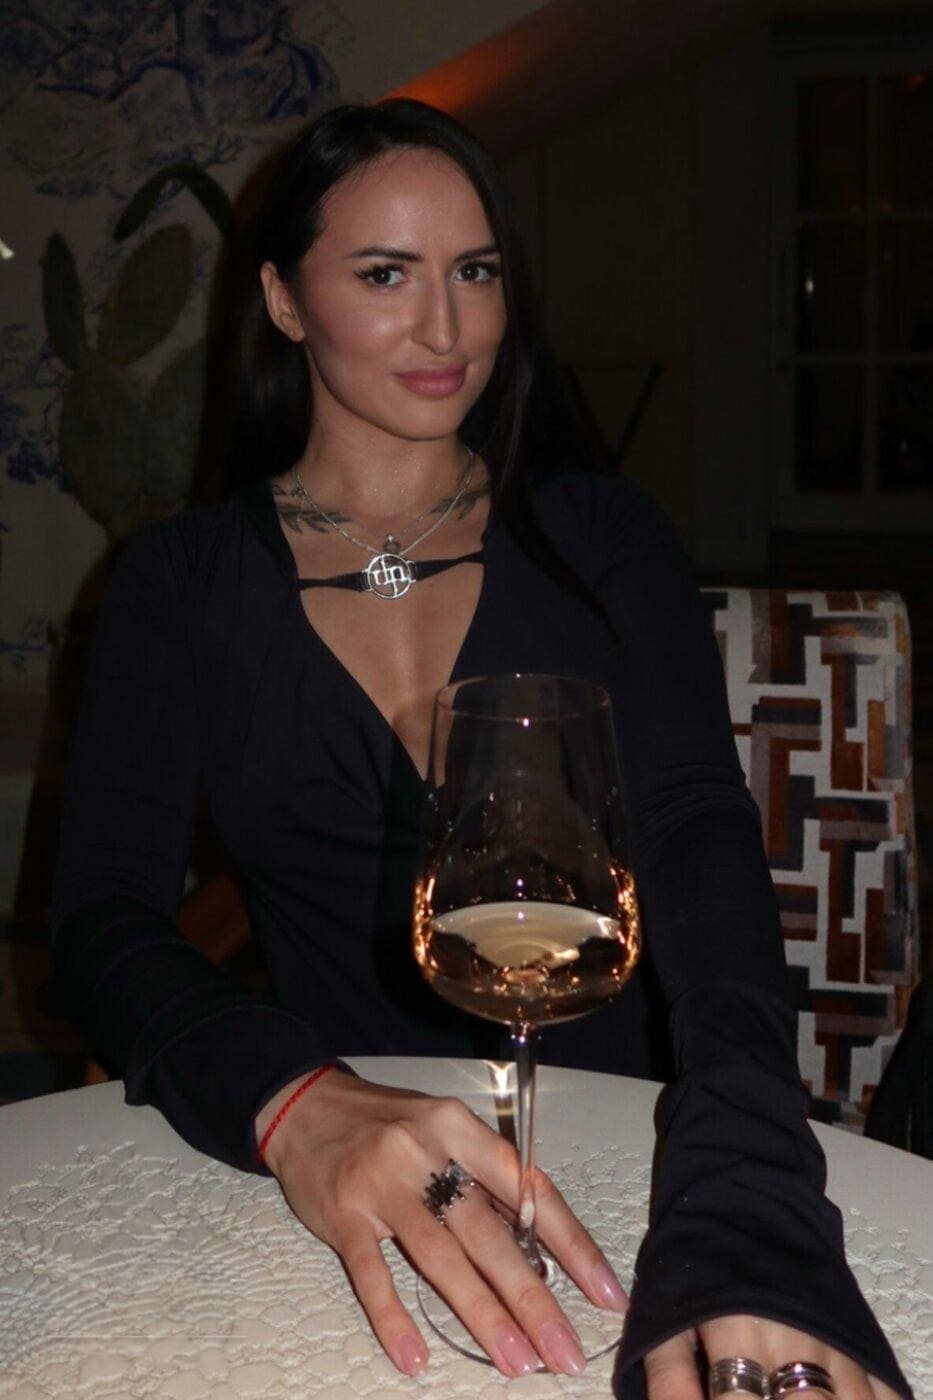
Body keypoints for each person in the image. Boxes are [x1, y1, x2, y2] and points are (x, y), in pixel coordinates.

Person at [51, 98, 911, 1399]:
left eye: (476, 271)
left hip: (627, 1152)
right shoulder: (179, 583)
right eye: (384, 274)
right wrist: (294, 1102)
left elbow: (694, 827)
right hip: (347, 1172)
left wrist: (746, 1163)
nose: (447, 329)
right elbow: (100, 919)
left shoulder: (600, 535)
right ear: (283, 300)